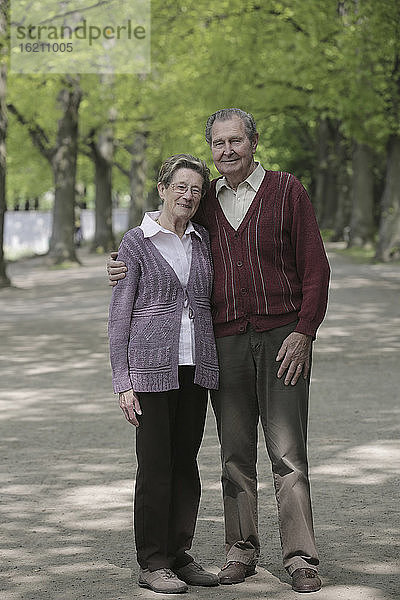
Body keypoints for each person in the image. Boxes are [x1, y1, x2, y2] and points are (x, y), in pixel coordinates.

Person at [108, 109, 330, 594]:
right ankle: (241, 552)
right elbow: (160, 239)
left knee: (288, 452)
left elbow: (315, 266)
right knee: (233, 453)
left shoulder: (287, 190)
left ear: (253, 141)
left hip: (281, 338)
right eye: (218, 143)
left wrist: (305, 331)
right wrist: (121, 264)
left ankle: (300, 557)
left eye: (236, 141)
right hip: (223, 342)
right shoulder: (205, 203)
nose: (227, 150)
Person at [108, 154, 220, 594]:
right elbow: (119, 316)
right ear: (163, 188)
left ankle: (178, 553)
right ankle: (152, 560)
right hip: (151, 370)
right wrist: (123, 382)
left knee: (185, 465)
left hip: (197, 367)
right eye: (181, 187)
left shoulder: (203, 239)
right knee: (154, 466)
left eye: (196, 189)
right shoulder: (136, 242)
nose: (188, 196)